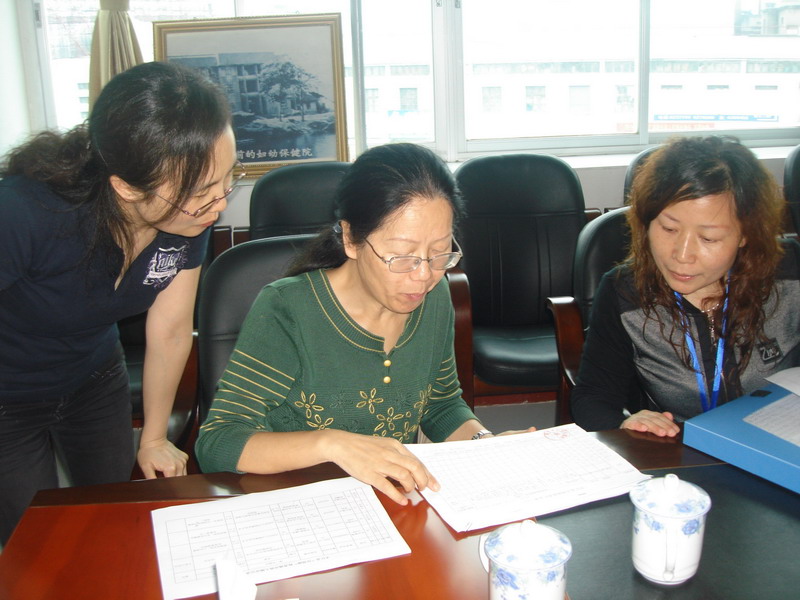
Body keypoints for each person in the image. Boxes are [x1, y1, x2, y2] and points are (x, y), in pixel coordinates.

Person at [196, 143, 532, 505]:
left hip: (387, 502)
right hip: (296, 502)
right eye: (402, 257)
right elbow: (218, 442)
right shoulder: (289, 309)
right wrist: (332, 444)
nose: (424, 276)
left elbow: (441, 406)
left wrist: (485, 445)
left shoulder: (434, 297)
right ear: (351, 239)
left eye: (439, 253)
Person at [0, 61, 237, 545]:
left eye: (227, 179)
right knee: (36, 540)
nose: (220, 205)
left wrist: (154, 436)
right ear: (126, 186)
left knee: (110, 518)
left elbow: (171, 329)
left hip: (93, 376)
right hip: (9, 397)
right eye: (201, 193)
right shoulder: (26, 213)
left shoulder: (187, 219)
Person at [571, 136, 800, 436]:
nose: (681, 255)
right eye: (669, 228)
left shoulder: (791, 275)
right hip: (678, 451)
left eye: (708, 238)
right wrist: (624, 424)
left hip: (780, 443)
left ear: (746, 235)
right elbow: (593, 398)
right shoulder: (625, 293)